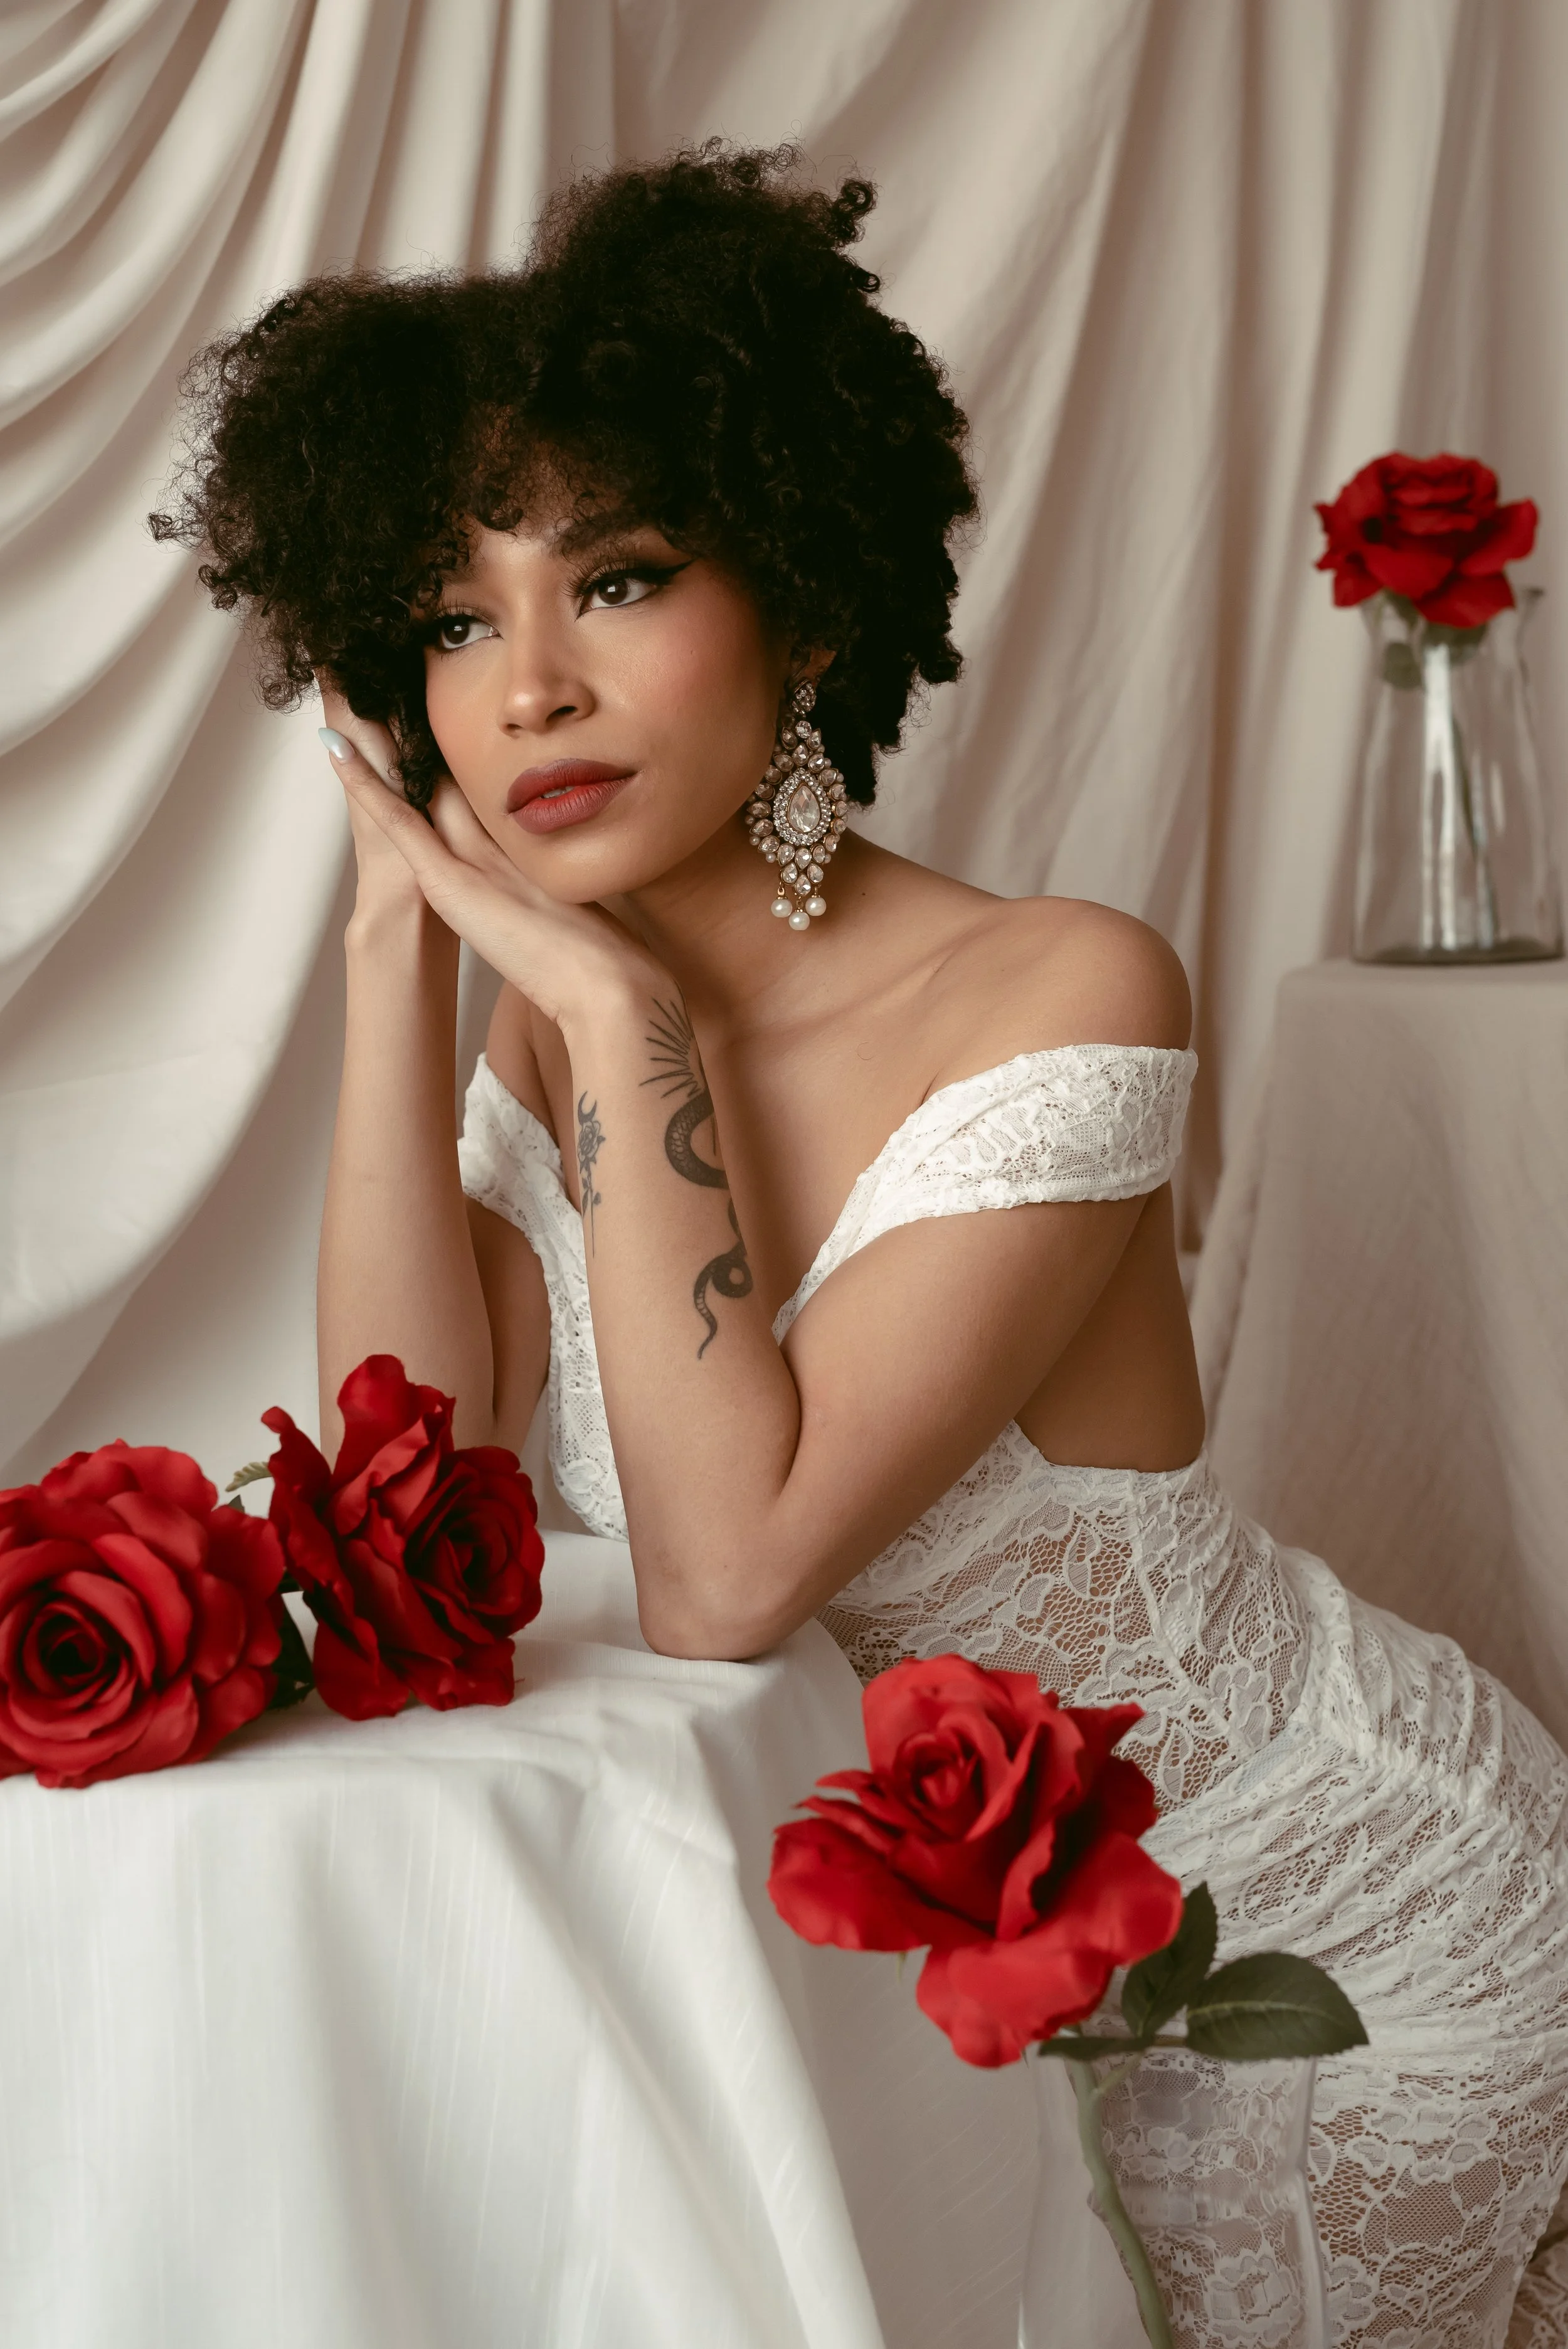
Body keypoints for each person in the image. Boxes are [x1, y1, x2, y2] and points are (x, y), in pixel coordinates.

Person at [154, 142, 1568, 2347]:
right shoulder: (543, 1025)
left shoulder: (1062, 989)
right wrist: (385, 952)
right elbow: (411, 1486)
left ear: (805, 596)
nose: (524, 685)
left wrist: (625, 1010)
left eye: (612, 579)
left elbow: (728, 1577)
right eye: (449, 618)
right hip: (955, 1984)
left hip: (1327, 1936)